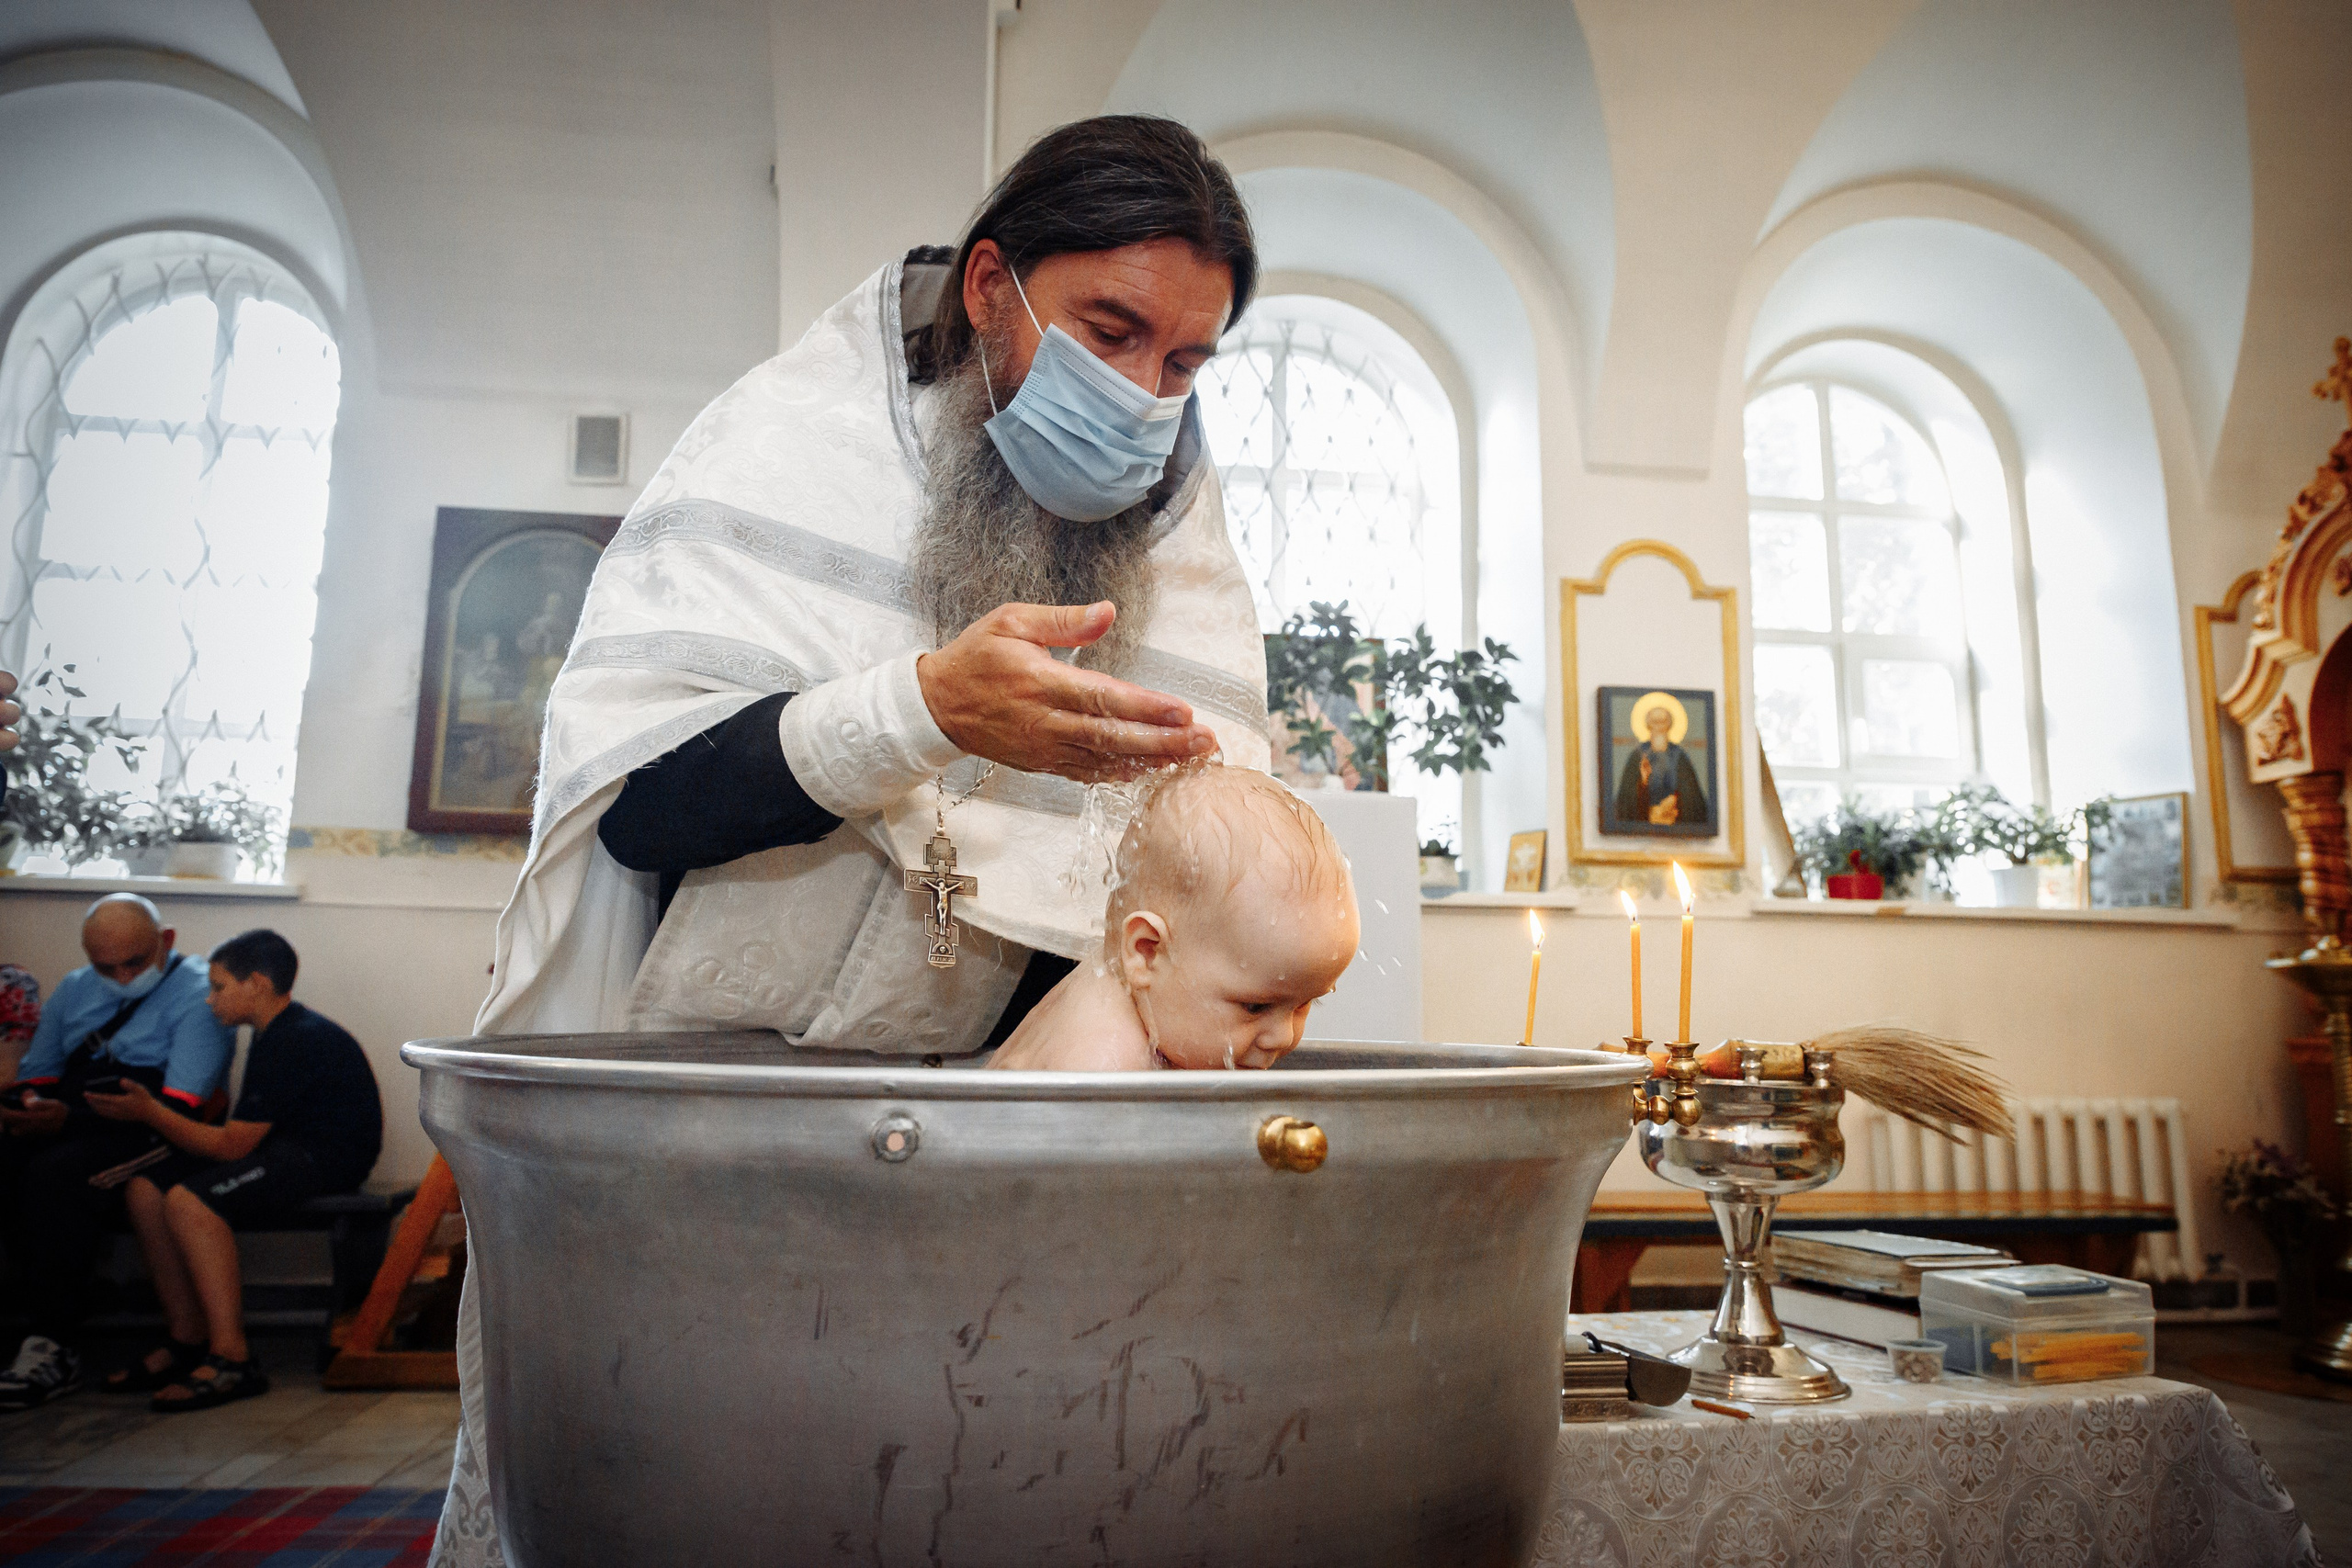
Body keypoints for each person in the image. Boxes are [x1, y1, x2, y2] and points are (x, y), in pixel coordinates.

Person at [433, 116, 1275, 1565]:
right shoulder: (789, 445)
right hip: (713, 1139)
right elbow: (640, 803)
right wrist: (922, 710)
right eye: (1110, 332)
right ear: (992, 285)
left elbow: (1187, 878)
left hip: (1004, 1163)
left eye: (1186, 361)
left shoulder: (1172, 530)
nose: (1146, 397)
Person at [87, 929, 381, 1411]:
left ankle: (231, 1358)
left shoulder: (294, 1038)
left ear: (257, 984)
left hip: (322, 1162)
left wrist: (150, 1112)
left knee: (190, 1201)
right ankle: (186, 1338)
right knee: (146, 1190)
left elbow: (232, 1147)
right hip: (282, 1151)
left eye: (219, 987)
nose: (210, 1000)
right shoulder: (273, 1033)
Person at [0, 894, 233, 1411]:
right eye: (106, 967)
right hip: (75, 1115)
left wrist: (68, 1120)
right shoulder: (74, 989)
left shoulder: (199, 993)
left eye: (134, 962)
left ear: (165, 942)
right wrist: (27, 1107)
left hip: (155, 1127)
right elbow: (39, 1073)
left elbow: (181, 1106)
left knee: (57, 1177)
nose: (123, 978)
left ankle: (53, 1343)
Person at [988, 764, 1357, 1071]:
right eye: (1255, 1007)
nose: (1284, 1037)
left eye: (1305, 1003)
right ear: (1147, 951)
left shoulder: (1134, 991)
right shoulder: (1105, 1063)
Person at [1613, 696, 1709, 829]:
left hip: (1674, 819)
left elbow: (1692, 797)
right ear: (1648, 725)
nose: (1658, 727)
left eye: (1663, 722)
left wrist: (1675, 802)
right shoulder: (1638, 756)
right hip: (1645, 822)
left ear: (1669, 725)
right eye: (1654, 722)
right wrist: (1643, 781)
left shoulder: (1679, 756)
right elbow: (1626, 799)